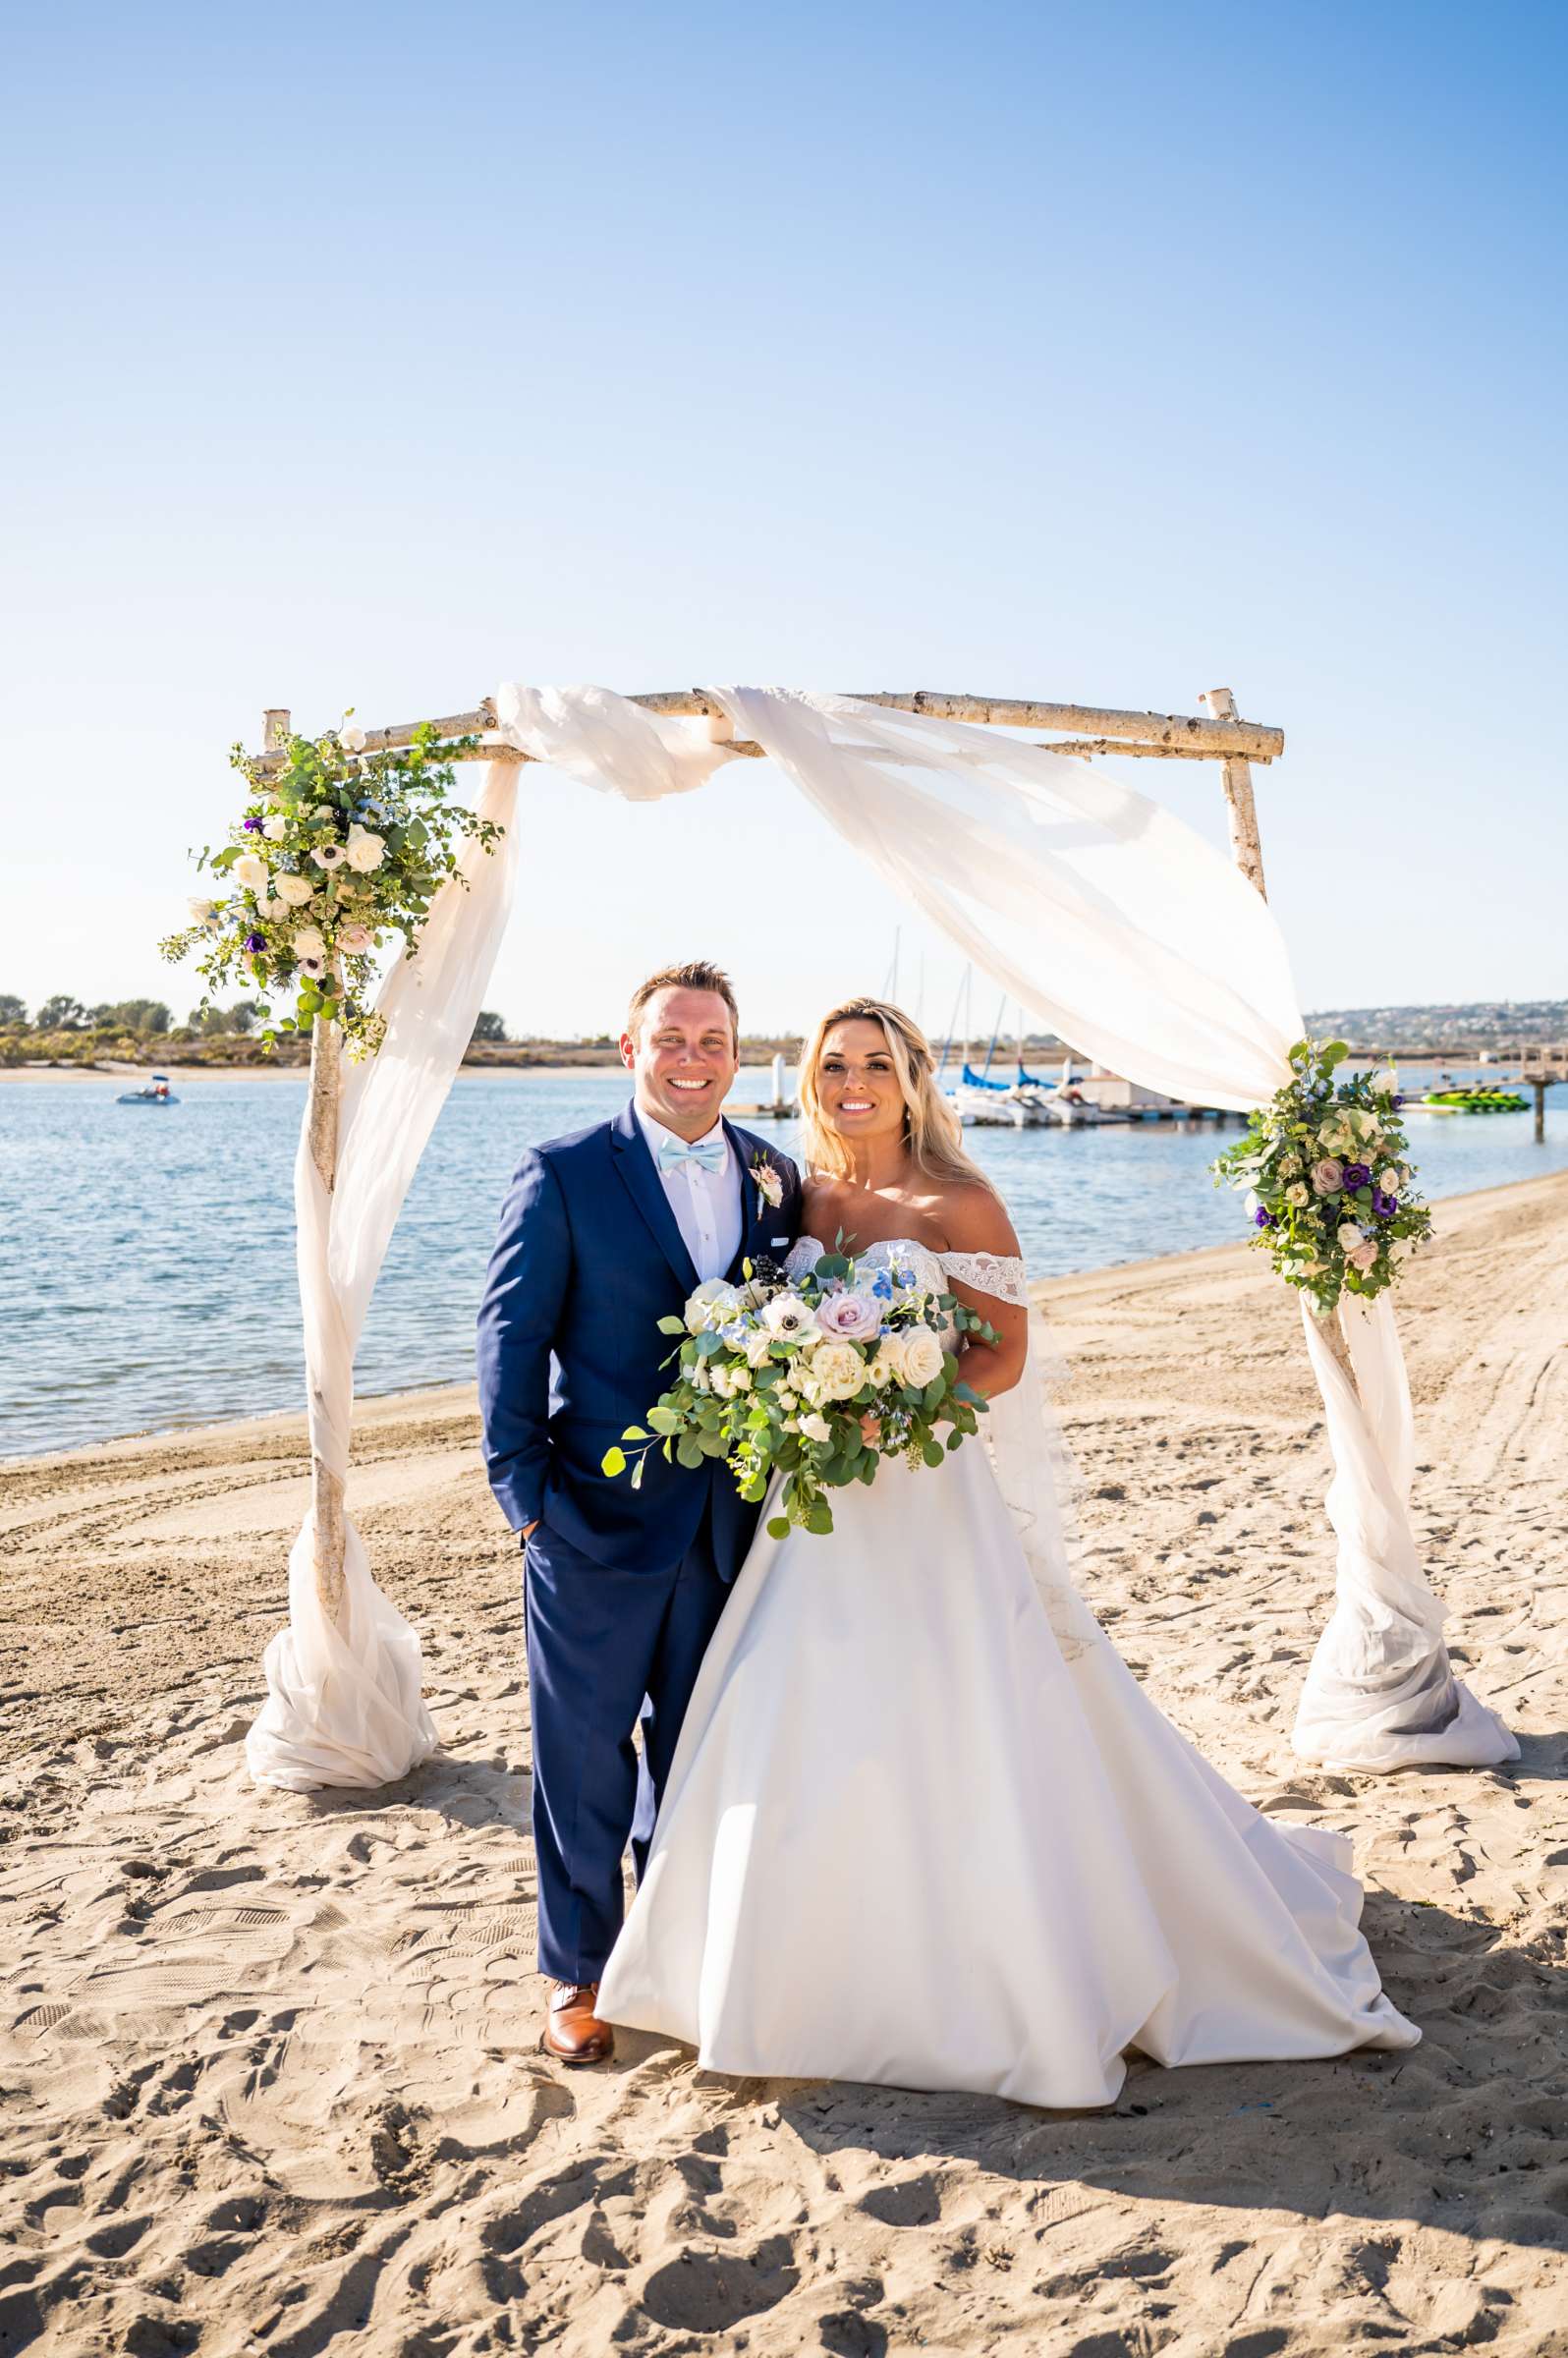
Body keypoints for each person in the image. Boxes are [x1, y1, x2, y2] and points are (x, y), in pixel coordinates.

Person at [596, 997, 1419, 2107]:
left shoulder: (960, 1201)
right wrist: (790, 1401)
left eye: (876, 1064)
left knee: (965, 1708)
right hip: (812, 1508)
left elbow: (1007, 1357)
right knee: (793, 1705)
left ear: (912, 1077)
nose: (854, 1082)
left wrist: (903, 1405)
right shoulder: (793, 1192)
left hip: (926, 1494)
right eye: (835, 1064)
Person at [476, 961, 803, 2066]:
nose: (693, 1058)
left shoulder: (775, 1175)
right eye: (671, 1038)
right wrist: (526, 1504)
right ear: (630, 1050)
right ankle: (577, 1972)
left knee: (700, 1749)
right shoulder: (564, 1172)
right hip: (591, 1523)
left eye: (713, 1040)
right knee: (582, 1757)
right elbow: (509, 1343)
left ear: (735, 1054)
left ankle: (672, 1954)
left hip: (727, 1526)